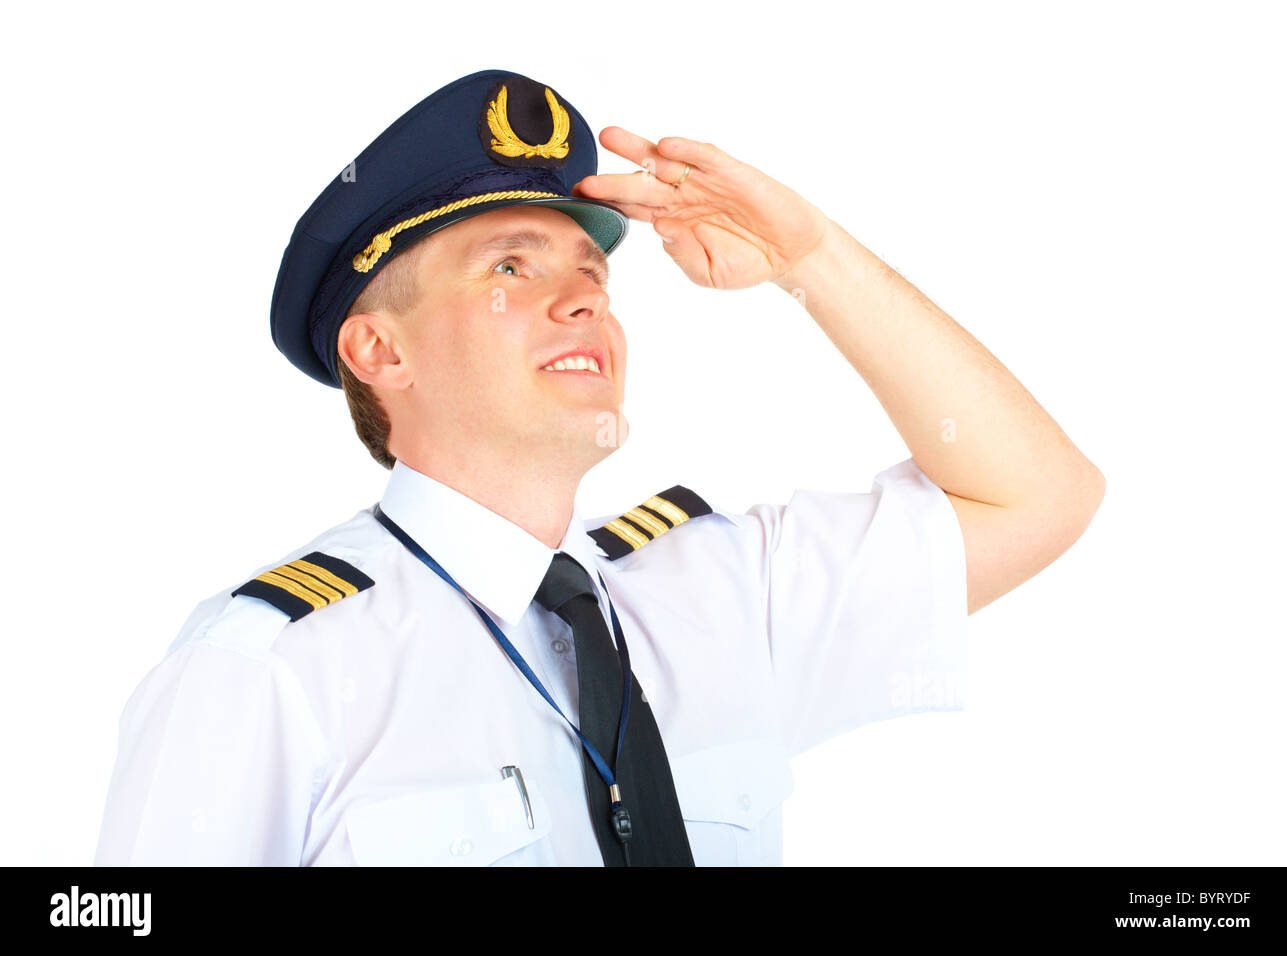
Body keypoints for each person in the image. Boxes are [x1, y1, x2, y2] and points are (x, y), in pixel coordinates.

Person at [93, 69, 1104, 866]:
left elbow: (1037, 493)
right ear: (379, 352)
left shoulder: (716, 592)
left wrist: (810, 259)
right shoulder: (269, 670)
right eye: (510, 268)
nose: (583, 300)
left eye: (591, 272)